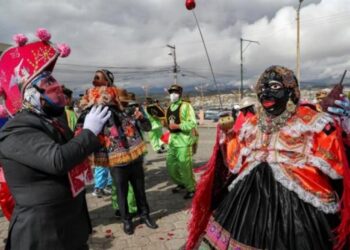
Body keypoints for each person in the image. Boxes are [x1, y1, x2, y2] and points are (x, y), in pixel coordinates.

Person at [186, 65, 350, 250]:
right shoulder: (253, 122)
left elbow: (339, 159)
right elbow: (236, 160)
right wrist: (227, 136)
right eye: (262, 89)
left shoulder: (312, 120)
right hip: (247, 198)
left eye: (274, 87)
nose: (266, 93)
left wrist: (344, 125)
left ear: (290, 91)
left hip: (299, 204)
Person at [0, 29, 111, 250]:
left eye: (54, 81)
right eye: (48, 84)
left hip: (69, 225)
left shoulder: (52, 120)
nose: (57, 88)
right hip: (43, 232)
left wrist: (95, 134)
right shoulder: (17, 129)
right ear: (31, 96)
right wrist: (89, 132)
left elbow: (73, 150)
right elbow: (58, 160)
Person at [77, 72, 158, 235]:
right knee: (120, 192)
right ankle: (126, 220)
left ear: (111, 85)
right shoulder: (92, 111)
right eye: (96, 84)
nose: (100, 89)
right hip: (115, 160)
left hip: (135, 156)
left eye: (102, 82)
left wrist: (142, 119)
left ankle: (145, 215)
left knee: (140, 190)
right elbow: (80, 130)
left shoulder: (129, 106)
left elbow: (148, 127)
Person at [165, 84, 198, 199]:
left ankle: (191, 188)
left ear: (180, 94)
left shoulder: (186, 106)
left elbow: (193, 123)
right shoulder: (169, 108)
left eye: (175, 92)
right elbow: (168, 123)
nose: (173, 94)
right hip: (172, 142)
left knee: (185, 167)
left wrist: (178, 126)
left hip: (183, 142)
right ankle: (182, 183)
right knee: (170, 166)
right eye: (171, 92)